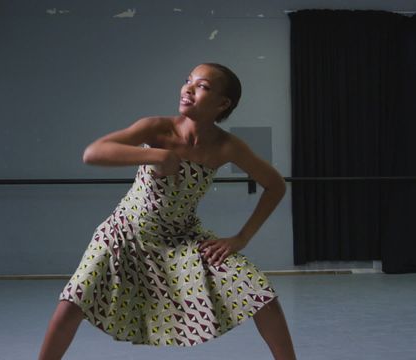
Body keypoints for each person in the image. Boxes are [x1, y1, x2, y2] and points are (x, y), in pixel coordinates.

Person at [38, 63, 296, 359]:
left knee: (261, 295)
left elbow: (275, 185)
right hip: (125, 233)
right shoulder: (157, 128)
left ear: (222, 103)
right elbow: (93, 152)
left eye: (203, 86)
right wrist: (157, 155)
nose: (188, 88)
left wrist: (241, 238)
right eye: (188, 81)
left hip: (183, 238)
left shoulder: (227, 147)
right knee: (72, 304)